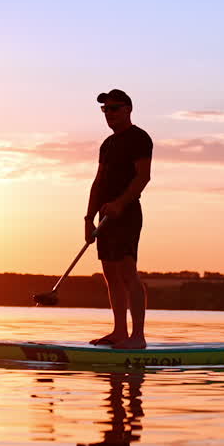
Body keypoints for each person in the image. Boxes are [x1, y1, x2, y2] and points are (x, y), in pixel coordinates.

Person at [85, 89, 152, 349]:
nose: (109, 113)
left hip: (127, 213)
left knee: (127, 272)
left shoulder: (139, 138)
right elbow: (98, 182)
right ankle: (119, 332)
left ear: (128, 109)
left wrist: (120, 203)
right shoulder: (108, 144)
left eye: (114, 108)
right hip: (105, 216)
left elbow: (143, 177)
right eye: (105, 109)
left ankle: (138, 337)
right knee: (110, 274)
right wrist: (88, 218)